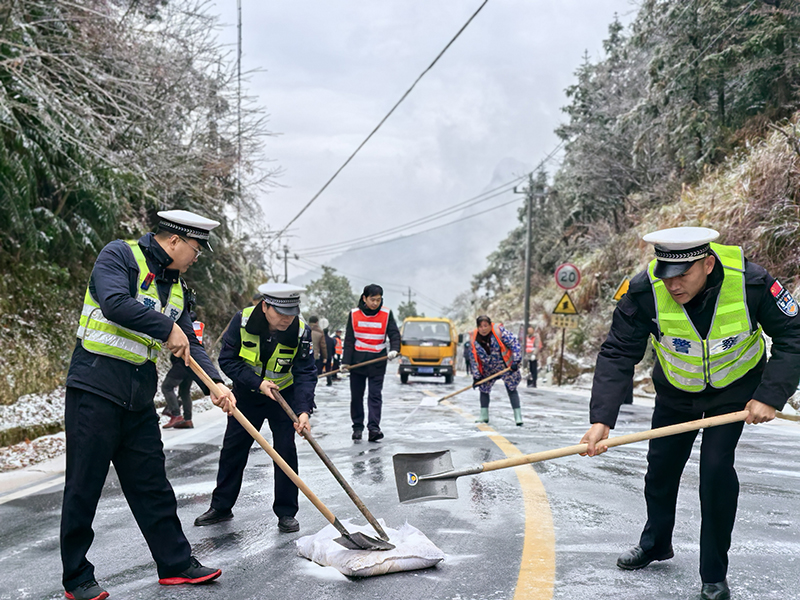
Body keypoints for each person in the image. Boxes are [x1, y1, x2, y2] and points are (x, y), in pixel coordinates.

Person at [580, 227, 800, 600]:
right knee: (660, 470)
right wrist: (602, 419)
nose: (673, 285)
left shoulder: (751, 282)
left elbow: (793, 335)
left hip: (734, 389)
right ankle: (656, 543)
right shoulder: (644, 291)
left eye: (683, 274)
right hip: (677, 391)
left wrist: (769, 396)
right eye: (666, 275)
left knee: (715, 471)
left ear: (708, 263)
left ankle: (714, 575)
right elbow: (618, 351)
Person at [61, 210, 236, 600]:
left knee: (153, 485)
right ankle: (77, 577)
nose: (196, 258)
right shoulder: (119, 255)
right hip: (95, 387)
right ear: (174, 240)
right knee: (83, 487)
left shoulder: (178, 289)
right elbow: (114, 303)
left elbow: (189, 344)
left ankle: (175, 564)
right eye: (195, 249)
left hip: (138, 397)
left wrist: (217, 385)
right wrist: (166, 327)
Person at [194, 283, 316, 534]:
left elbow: (306, 373)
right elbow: (227, 360)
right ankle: (221, 506)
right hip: (248, 394)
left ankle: (286, 512)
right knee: (233, 449)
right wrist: (258, 383)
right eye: (281, 313)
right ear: (265, 306)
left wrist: (303, 411)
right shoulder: (242, 321)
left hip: (283, 397)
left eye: (292, 313)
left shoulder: (301, 330)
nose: (287, 319)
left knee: (285, 452)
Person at [341, 284, 401, 442]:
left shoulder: (386, 314)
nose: (375, 303)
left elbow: (394, 334)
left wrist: (395, 349)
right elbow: (349, 340)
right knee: (356, 396)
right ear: (364, 298)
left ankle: (374, 428)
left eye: (378, 300)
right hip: (358, 362)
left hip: (377, 361)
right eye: (372, 299)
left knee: (375, 396)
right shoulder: (354, 314)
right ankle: (357, 427)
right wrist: (345, 362)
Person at [466, 315, 523, 425]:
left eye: (485, 326)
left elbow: (514, 344)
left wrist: (516, 361)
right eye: (480, 326)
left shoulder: (499, 331)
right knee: (483, 388)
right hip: (488, 368)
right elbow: (473, 358)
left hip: (505, 366)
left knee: (511, 388)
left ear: (490, 325)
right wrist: (476, 377)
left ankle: (518, 416)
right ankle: (484, 415)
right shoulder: (474, 338)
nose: (483, 329)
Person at [161, 311, 207, 429]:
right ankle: (187, 419)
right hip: (191, 365)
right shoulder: (197, 328)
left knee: (166, 387)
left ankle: (176, 415)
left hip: (181, 363)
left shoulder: (184, 328)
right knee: (184, 392)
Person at [308, 315, 328, 382]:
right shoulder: (320, 332)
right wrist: (325, 357)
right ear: (317, 322)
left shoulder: (304, 329)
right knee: (313, 373)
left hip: (304, 355)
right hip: (315, 356)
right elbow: (323, 346)